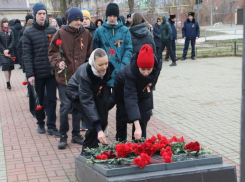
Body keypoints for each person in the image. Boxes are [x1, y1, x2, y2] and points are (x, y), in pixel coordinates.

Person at [49, 7, 93, 149]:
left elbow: (89, 54)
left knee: (78, 107)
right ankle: (63, 135)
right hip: (65, 77)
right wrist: (58, 62)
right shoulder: (60, 33)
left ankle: (76, 134)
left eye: (80, 19)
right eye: (76, 19)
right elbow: (53, 51)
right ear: (69, 20)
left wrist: (87, 70)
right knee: (65, 106)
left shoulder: (86, 34)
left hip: (80, 78)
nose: (79, 22)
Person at [22, 3, 59, 136]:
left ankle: (52, 125)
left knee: (52, 99)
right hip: (37, 73)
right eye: (39, 14)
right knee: (38, 98)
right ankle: (40, 122)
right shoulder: (28, 32)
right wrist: (30, 74)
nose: (42, 16)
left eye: (44, 13)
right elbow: (27, 55)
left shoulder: (52, 30)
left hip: (50, 72)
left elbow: (57, 51)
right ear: (35, 15)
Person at [66, 48, 114, 151]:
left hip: (94, 92)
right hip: (77, 94)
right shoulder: (85, 75)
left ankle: (95, 148)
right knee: (93, 124)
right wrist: (98, 127)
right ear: (93, 63)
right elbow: (87, 102)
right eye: (100, 65)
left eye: (106, 63)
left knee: (102, 120)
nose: (104, 67)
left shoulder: (106, 69)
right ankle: (86, 152)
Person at [112, 45, 162, 142]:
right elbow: (130, 99)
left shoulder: (156, 67)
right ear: (138, 66)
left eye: (149, 69)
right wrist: (136, 125)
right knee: (123, 120)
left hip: (143, 95)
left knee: (143, 121)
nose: (146, 73)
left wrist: (139, 127)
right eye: (143, 69)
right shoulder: (129, 73)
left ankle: (139, 148)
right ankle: (120, 146)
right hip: (123, 94)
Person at [93, 2, 133, 89]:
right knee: (104, 101)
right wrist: (100, 66)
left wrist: (124, 65)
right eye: (110, 15)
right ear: (106, 15)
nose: (112, 18)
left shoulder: (125, 31)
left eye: (114, 16)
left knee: (121, 100)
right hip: (104, 71)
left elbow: (128, 49)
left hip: (121, 72)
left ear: (117, 16)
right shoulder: (99, 31)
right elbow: (96, 50)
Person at [17, 19, 36, 117]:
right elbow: (21, 50)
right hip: (28, 64)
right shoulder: (25, 36)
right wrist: (22, 62)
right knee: (31, 85)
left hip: (34, 64)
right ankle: (33, 108)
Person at [0, 18, 15, 90]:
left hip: (10, 52)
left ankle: (9, 80)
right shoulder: (0, 32)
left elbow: (12, 41)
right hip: (2, 53)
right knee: (5, 66)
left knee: (10, 67)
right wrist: (4, 50)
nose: (6, 23)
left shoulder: (10, 31)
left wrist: (8, 49)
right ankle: (7, 82)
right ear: (2, 23)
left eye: (7, 22)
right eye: (4, 22)